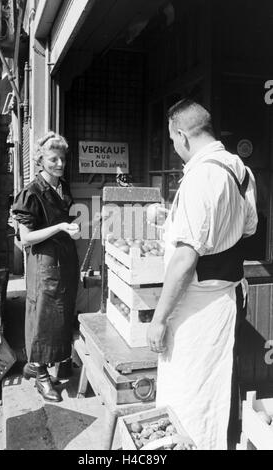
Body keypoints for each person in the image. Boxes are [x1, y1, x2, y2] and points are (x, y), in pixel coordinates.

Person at [147, 99, 258, 450]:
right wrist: (177, 222)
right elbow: (246, 228)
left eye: (172, 139)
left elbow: (184, 259)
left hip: (196, 305)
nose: (174, 147)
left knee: (188, 395)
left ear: (182, 135)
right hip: (226, 297)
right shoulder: (241, 171)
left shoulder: (201, 177)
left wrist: (159, 318)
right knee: (214, 390)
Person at [12, 131, 80, 403]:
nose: (60, 164)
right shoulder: (31, 193)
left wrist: (71, 228)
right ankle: (40, 374)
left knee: (62, 315)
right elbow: (26, 237)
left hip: (65, 260)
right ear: (41, 160)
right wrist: (61, 227)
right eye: (53, 159)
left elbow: (63, 219)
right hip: (44, 263)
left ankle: (58, 361)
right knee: (42, 317)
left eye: (62, 158)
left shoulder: (62, 187)